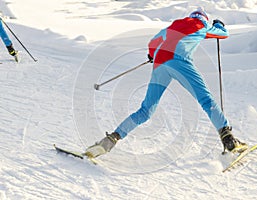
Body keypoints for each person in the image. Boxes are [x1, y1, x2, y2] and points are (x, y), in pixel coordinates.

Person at [85, 8, 247, 158]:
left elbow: (154, 42)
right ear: (203, 19)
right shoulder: (201, 25)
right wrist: (218, 24)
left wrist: (151, 55)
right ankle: (228, 139)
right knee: (205, 100)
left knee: (145, 110)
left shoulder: (174, 25)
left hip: (160, 64)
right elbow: (223, 34)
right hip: (179, 61)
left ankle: (111, 139)